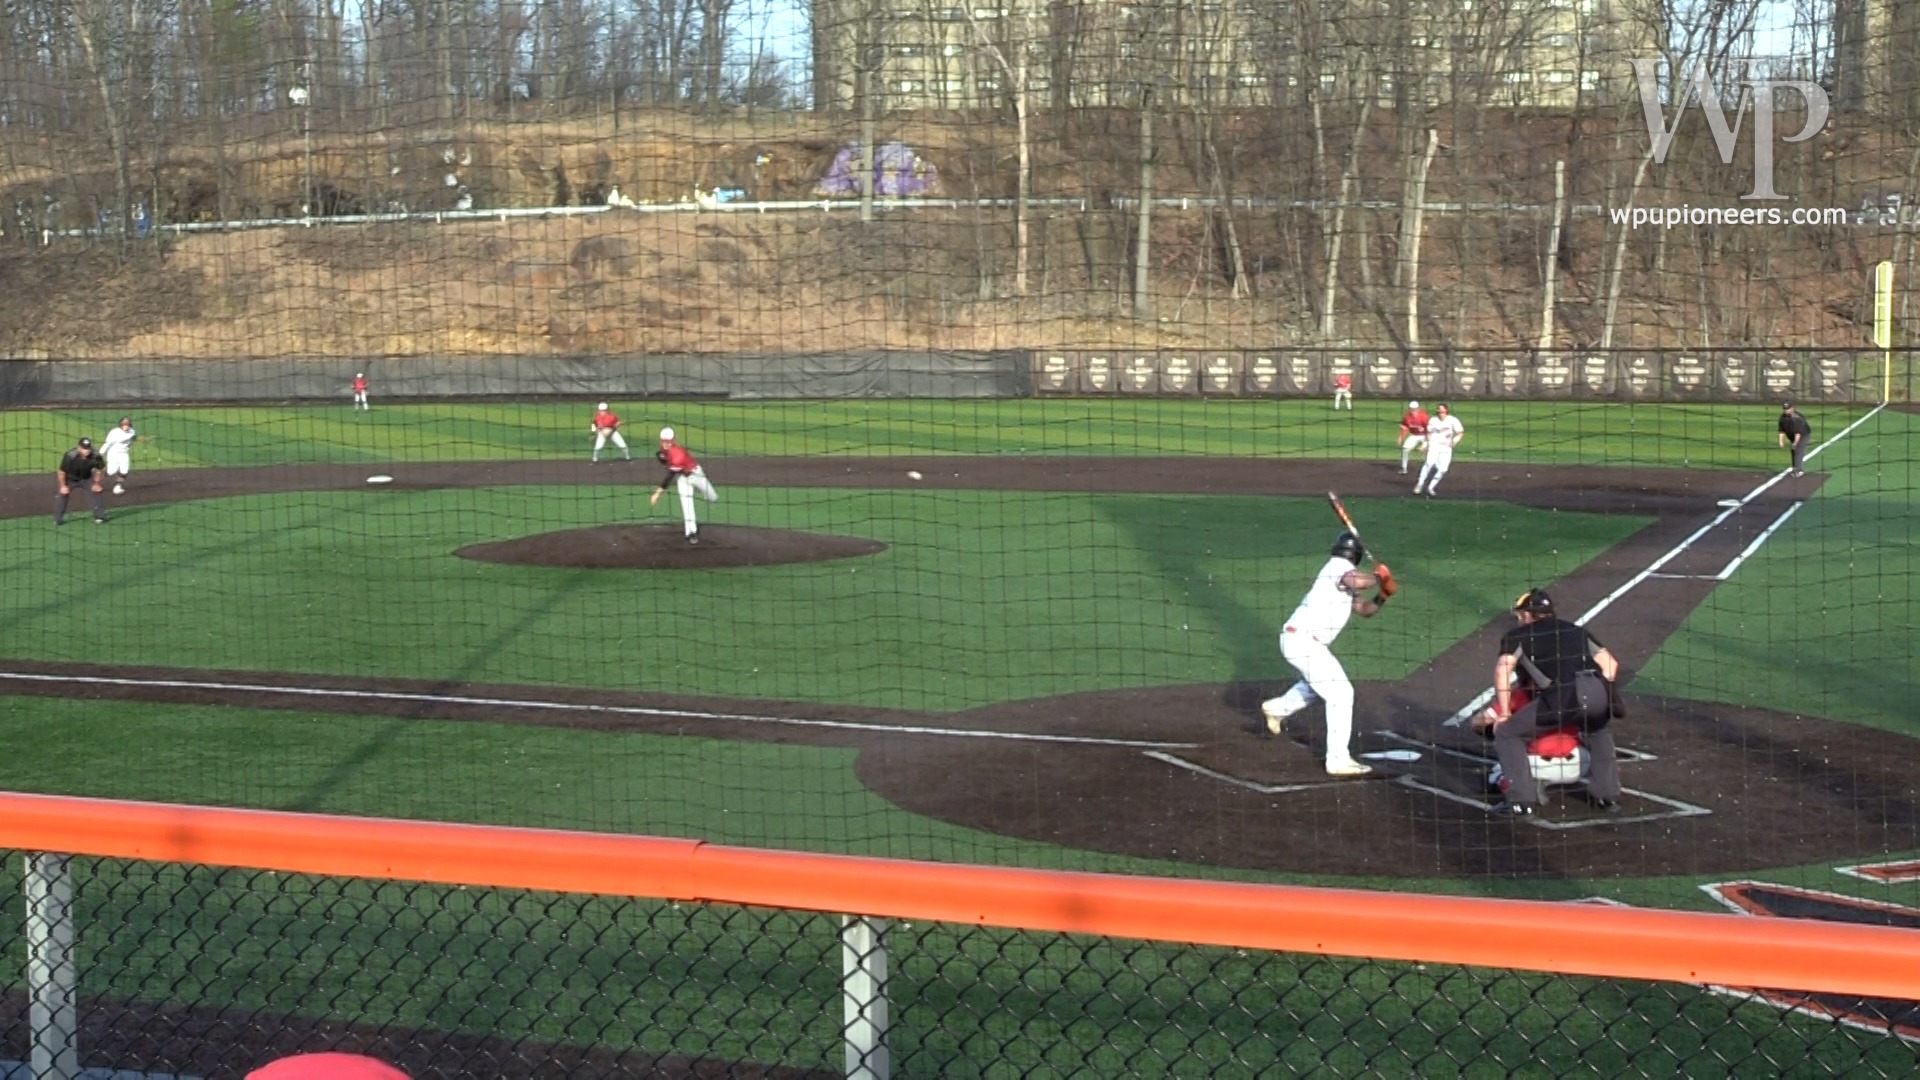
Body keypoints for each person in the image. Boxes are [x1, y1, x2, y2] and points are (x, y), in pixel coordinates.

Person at [1473, 588, 1626, 816]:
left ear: (1527, 615)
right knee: (1598, 733)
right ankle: (1607, 797)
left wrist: (1505, 712)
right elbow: (1611, 666)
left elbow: (1502, 670)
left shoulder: (1518, 635)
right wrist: (1599, 694)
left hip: (1564, 694)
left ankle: (1521, 802)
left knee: (1507, 733)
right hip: (1597, 689)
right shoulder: (1576, 630)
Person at [1260, 531, 1397, 777]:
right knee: (1342, 693)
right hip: (1302, 641)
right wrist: (1378, 576)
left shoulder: (1340, 573)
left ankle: (1278, 708)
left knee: (1318, 686)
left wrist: (1383, 595)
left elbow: (1364, 610)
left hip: (1301, 642)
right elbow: (1355, 581)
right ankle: (1337, 760)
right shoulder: (1338, 566)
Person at [650, 426, 719, 543]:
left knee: (713, 497)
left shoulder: (678, 454)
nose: (665, 444)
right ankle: (691, 532)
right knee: (687, 504)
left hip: (696, 475)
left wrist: (657, 494)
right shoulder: (663, 448)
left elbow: (669, 476)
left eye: (668, 441)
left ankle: (703, 493)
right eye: (664, 441)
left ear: (673, 440)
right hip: (682, 478)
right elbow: (666, 460)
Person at [1413, 402, 1464, 497]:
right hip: (1434, 446)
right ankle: (1419, 485)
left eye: (1442, 411)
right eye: (1438, 411)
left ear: (1446, 411)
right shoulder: (1433, 420)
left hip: (1446, 448)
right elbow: (1429, 434)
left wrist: (1454, 441)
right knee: (1428, 464)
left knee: (1443, 469)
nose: (1440, 413)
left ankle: (1431, 487)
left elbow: (1460, 432)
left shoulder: (1453, 420)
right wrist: (1425, 445)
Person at [55, 437, 108, 525]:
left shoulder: (96, 456)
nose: (86, 450)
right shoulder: (70, 456)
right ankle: (58, 519)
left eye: (88, 448)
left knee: (97, 491)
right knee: (63, 494)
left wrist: (97, 483)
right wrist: (63, 485)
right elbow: (62, 471)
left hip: (86, 478)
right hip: (70, 478)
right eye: (84, 448)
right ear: (79, 447)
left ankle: (99, 516)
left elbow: (100, 470)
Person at [99, 415, 139, 495]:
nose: (126, 426)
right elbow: (108, 444)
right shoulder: (114, 432)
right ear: (121, 425)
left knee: (124, 471)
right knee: (111, 471)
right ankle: (95, 482)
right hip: (113, 453)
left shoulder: (132, 431)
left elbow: (131, 439)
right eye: (124, 424)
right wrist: (101, 453)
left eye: (127, 424)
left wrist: (133, 439)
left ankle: (117, 486)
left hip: (124, 454)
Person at [1778, 401, 1810, 477]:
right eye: (1785, 409)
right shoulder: (1783, 417)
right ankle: (1795, 469)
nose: (1786, 410)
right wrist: (1781, 442)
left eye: (1788, 409)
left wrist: (1795, 443)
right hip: (1793, 436)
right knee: (1793, 451)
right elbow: (1781, 430)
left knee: (1798, 451)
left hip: (1803, 436)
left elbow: (1798, 433)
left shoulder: (1797, 418)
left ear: (1792, 408)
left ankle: (1798, 471)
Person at [1396, 400, 1429, 474]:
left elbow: (1429, 430)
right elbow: (1404, 427)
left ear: (1418, 409)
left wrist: (1425, 444)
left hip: (1425, 435)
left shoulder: (1423, 416)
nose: (1413, 411)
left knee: (1425, 451)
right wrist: (1401, 437)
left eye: (1415, 409)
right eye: (1411, 409)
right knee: (1405, 448)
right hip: (1414, 435)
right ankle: (1404, 468)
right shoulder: (1407, 417)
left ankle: (1428, 468)